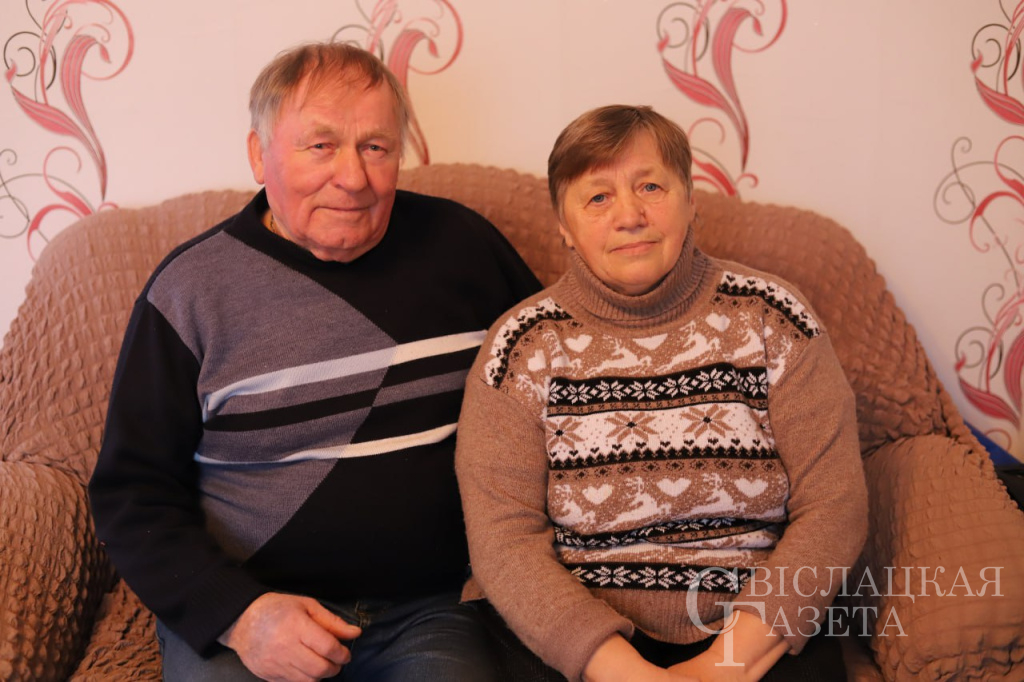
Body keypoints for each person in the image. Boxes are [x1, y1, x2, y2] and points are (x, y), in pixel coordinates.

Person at [88, 41, 542, 682]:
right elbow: (131, 492)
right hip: (251, 608)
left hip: (430, 609)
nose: (353, 178)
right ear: (259, 155)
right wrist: (240, 616)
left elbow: (560, 393)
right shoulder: (190, 292)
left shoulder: (465, 247)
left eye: (375, 147)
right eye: (321, 146)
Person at [455, 104, 869, 682]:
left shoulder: (774, 318)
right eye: (598, 197)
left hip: (750, 632)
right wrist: (627, 673)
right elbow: (504, 540)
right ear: (563, 226)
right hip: (578, 642)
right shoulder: (519, 348)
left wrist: (725, 665)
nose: (630, 215)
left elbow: (835, 504)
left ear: (690, 199)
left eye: (650, 186)